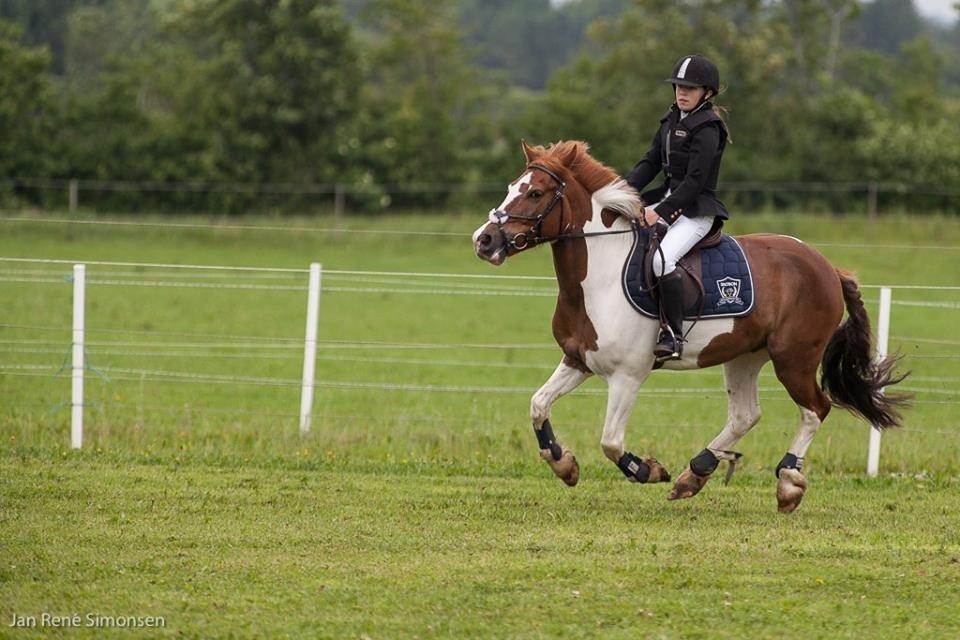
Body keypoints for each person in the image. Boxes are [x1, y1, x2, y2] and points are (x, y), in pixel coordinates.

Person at [626, 53, 731, 362]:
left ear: (707, 93)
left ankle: (672, 334)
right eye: (678, 87)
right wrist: (621, 192)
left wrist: (659, 212)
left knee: (662, 261)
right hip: (668, 198)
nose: (682, 93)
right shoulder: (672, 119)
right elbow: (651, 162)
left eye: (690, 88)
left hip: (696, 211)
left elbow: (695, 182)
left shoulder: (709, 128)